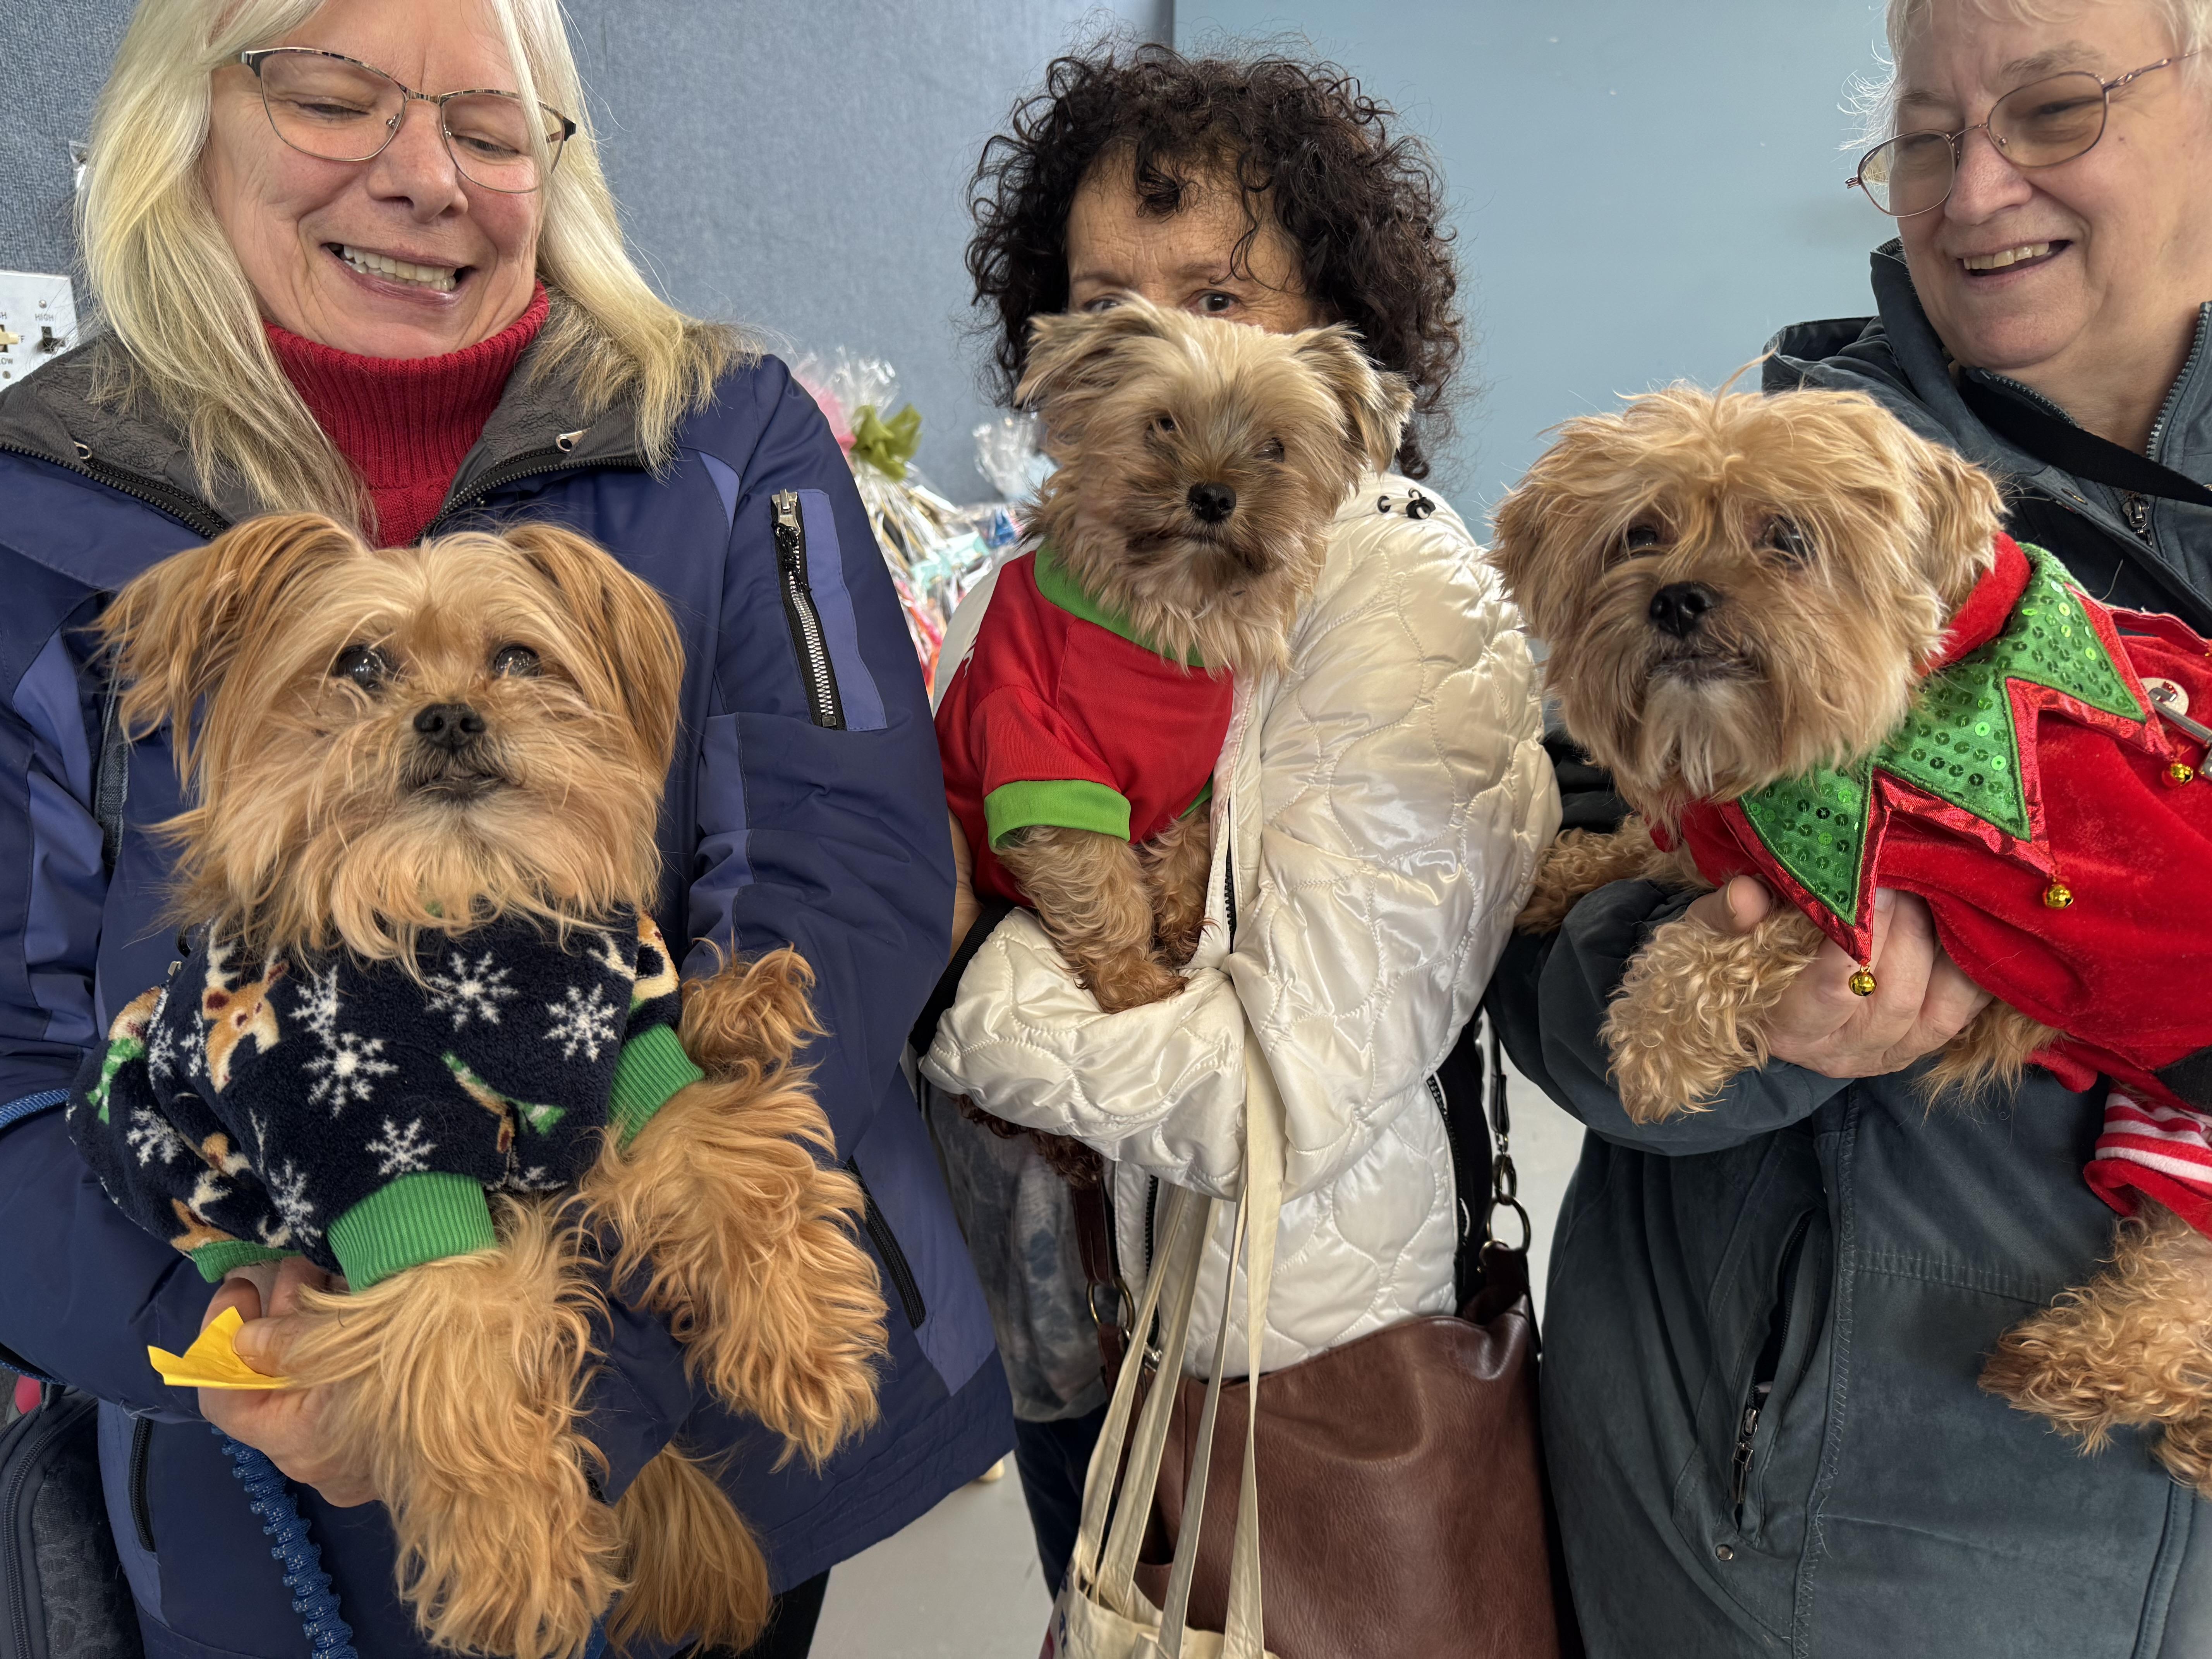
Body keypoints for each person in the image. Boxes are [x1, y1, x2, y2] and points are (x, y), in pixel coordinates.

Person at [0, 0, 1010, 1653]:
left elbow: (851, 876)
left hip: (727, 1446)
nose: (420, 178)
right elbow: (13, 1080)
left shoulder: (727, 431)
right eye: (332, 97)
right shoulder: (31, 507)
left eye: (487, 128)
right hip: (233, 1493)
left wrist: (615, 1370)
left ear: (558, 166)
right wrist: (243, 1336)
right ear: (183, 122)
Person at [1489, 0, 2212, 1652]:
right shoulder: (1790, 452)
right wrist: (1759, 1002)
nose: (1972, 194)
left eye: (2050, 109)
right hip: (1802, 1533)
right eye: (1925, 135)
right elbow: (1541, 978)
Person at [921, 41, 1558, 1598]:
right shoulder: (1050, 591)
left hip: (1292, 1346)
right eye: (1105, 306)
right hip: (1085, 1298)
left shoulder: (1398, 601)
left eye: (1214, 295)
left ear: (1334, 328)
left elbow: (1262, 1097)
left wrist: (949, 986)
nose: (1161, 349)